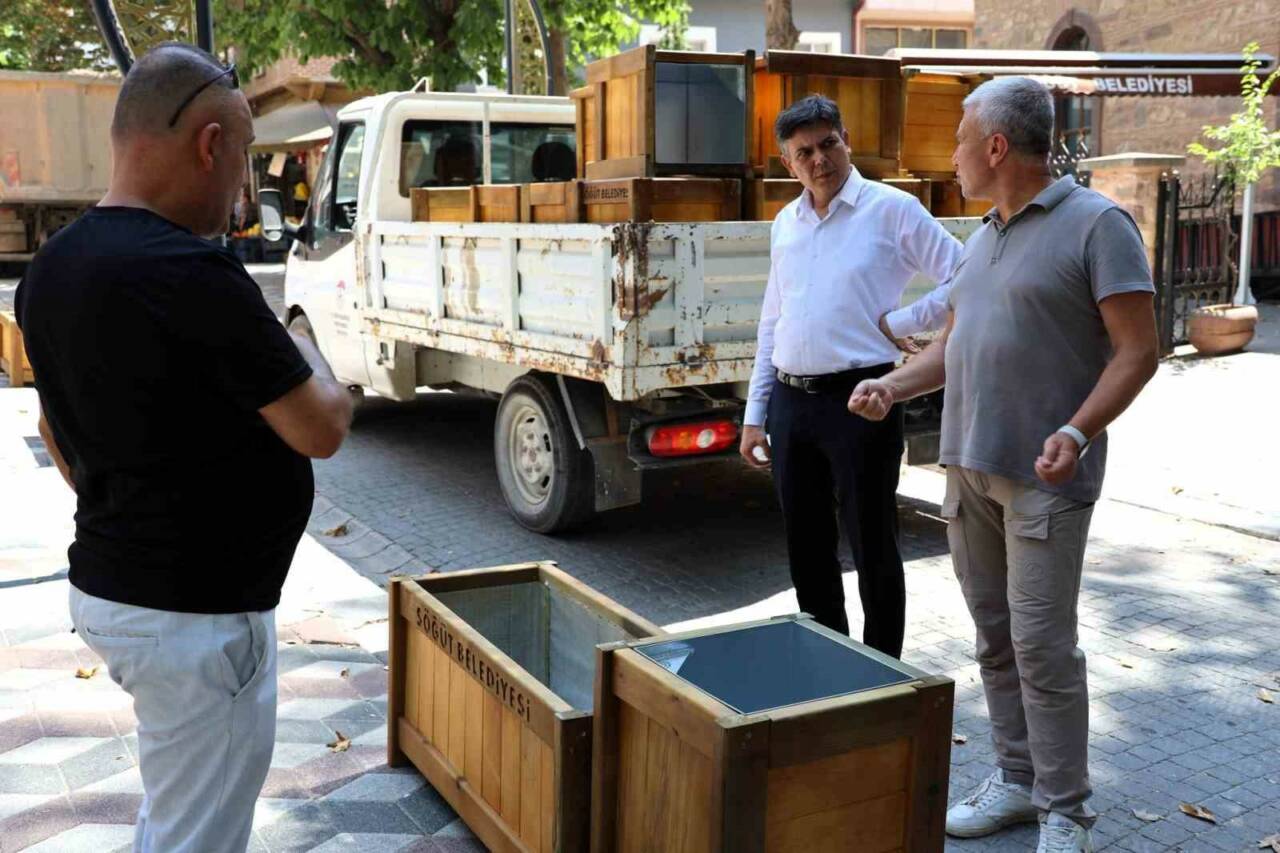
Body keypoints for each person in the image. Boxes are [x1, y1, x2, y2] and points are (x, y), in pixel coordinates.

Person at [15, 43, 355, 853]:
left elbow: (52, 434)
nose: (241, 190)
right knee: (198, 834)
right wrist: (296, 333)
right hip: (194, 619)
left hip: (115, 590)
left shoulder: (49, 270)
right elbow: (324, 424)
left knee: (179, 804)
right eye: (240, 161)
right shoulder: (192, 273)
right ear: (209, 145)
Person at [848, 77, 1158, 853]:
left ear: (995, 146)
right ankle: (1018, 780)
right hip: (970, 472)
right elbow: (953, 347)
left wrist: (1079, 431)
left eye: (958, 138)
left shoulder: (1099, 225)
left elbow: (1139, 352)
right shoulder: (982, 237)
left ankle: (1067, 809)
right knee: (993, 638)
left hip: (1046, 482)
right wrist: (892, 384)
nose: (949, 153)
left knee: (1043, 647)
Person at [739, 95, 962, 659]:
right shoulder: (785, 223)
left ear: (846, 140)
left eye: (828, 143)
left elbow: (964, 275)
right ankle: (827, 665)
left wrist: (905, 320)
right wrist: (754, 416)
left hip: (863, 400)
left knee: (872, 547)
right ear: (788, 164)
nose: (820, 159)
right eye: (804, 152)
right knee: (807, 550)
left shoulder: (891, 209)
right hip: (791, 404)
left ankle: (881, 671)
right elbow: (773, 321)